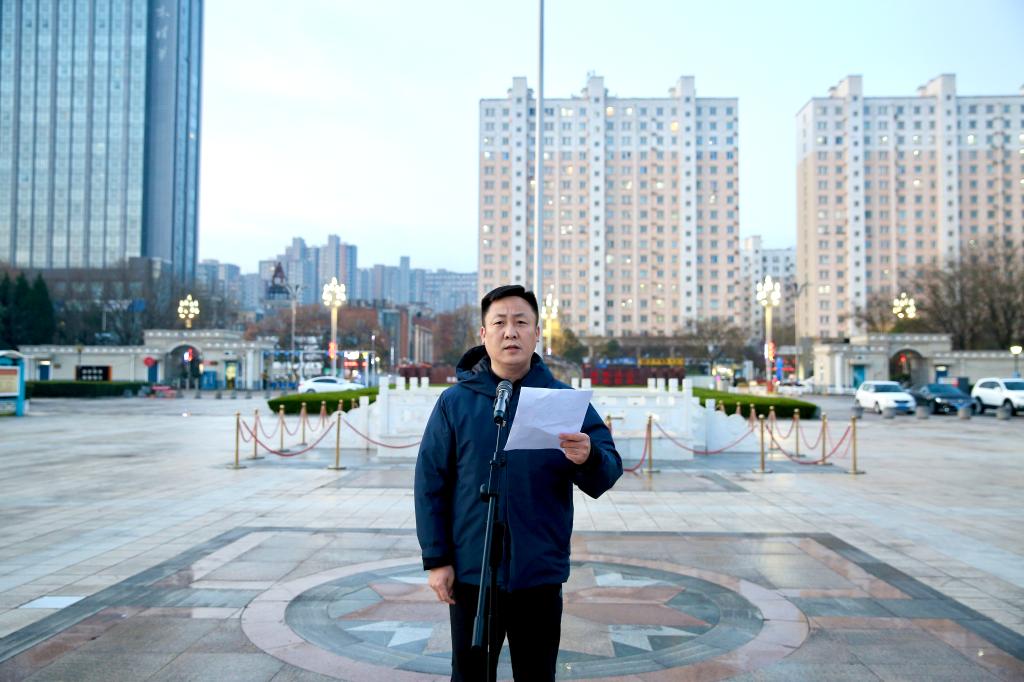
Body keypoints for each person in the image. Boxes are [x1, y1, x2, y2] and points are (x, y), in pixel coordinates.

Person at [415, 284, 622, 681]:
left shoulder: (562, 401)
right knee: (470, 675)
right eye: (500, 323)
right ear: (483, 334)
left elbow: (608, 469)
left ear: (536, 333)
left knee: (537, 675)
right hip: (472, 573)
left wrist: (589, 456)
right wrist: (437, 560)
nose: (510, 332)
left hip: (538, 573)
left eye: (521, 322)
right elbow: (430, 485)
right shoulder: (455, 403)